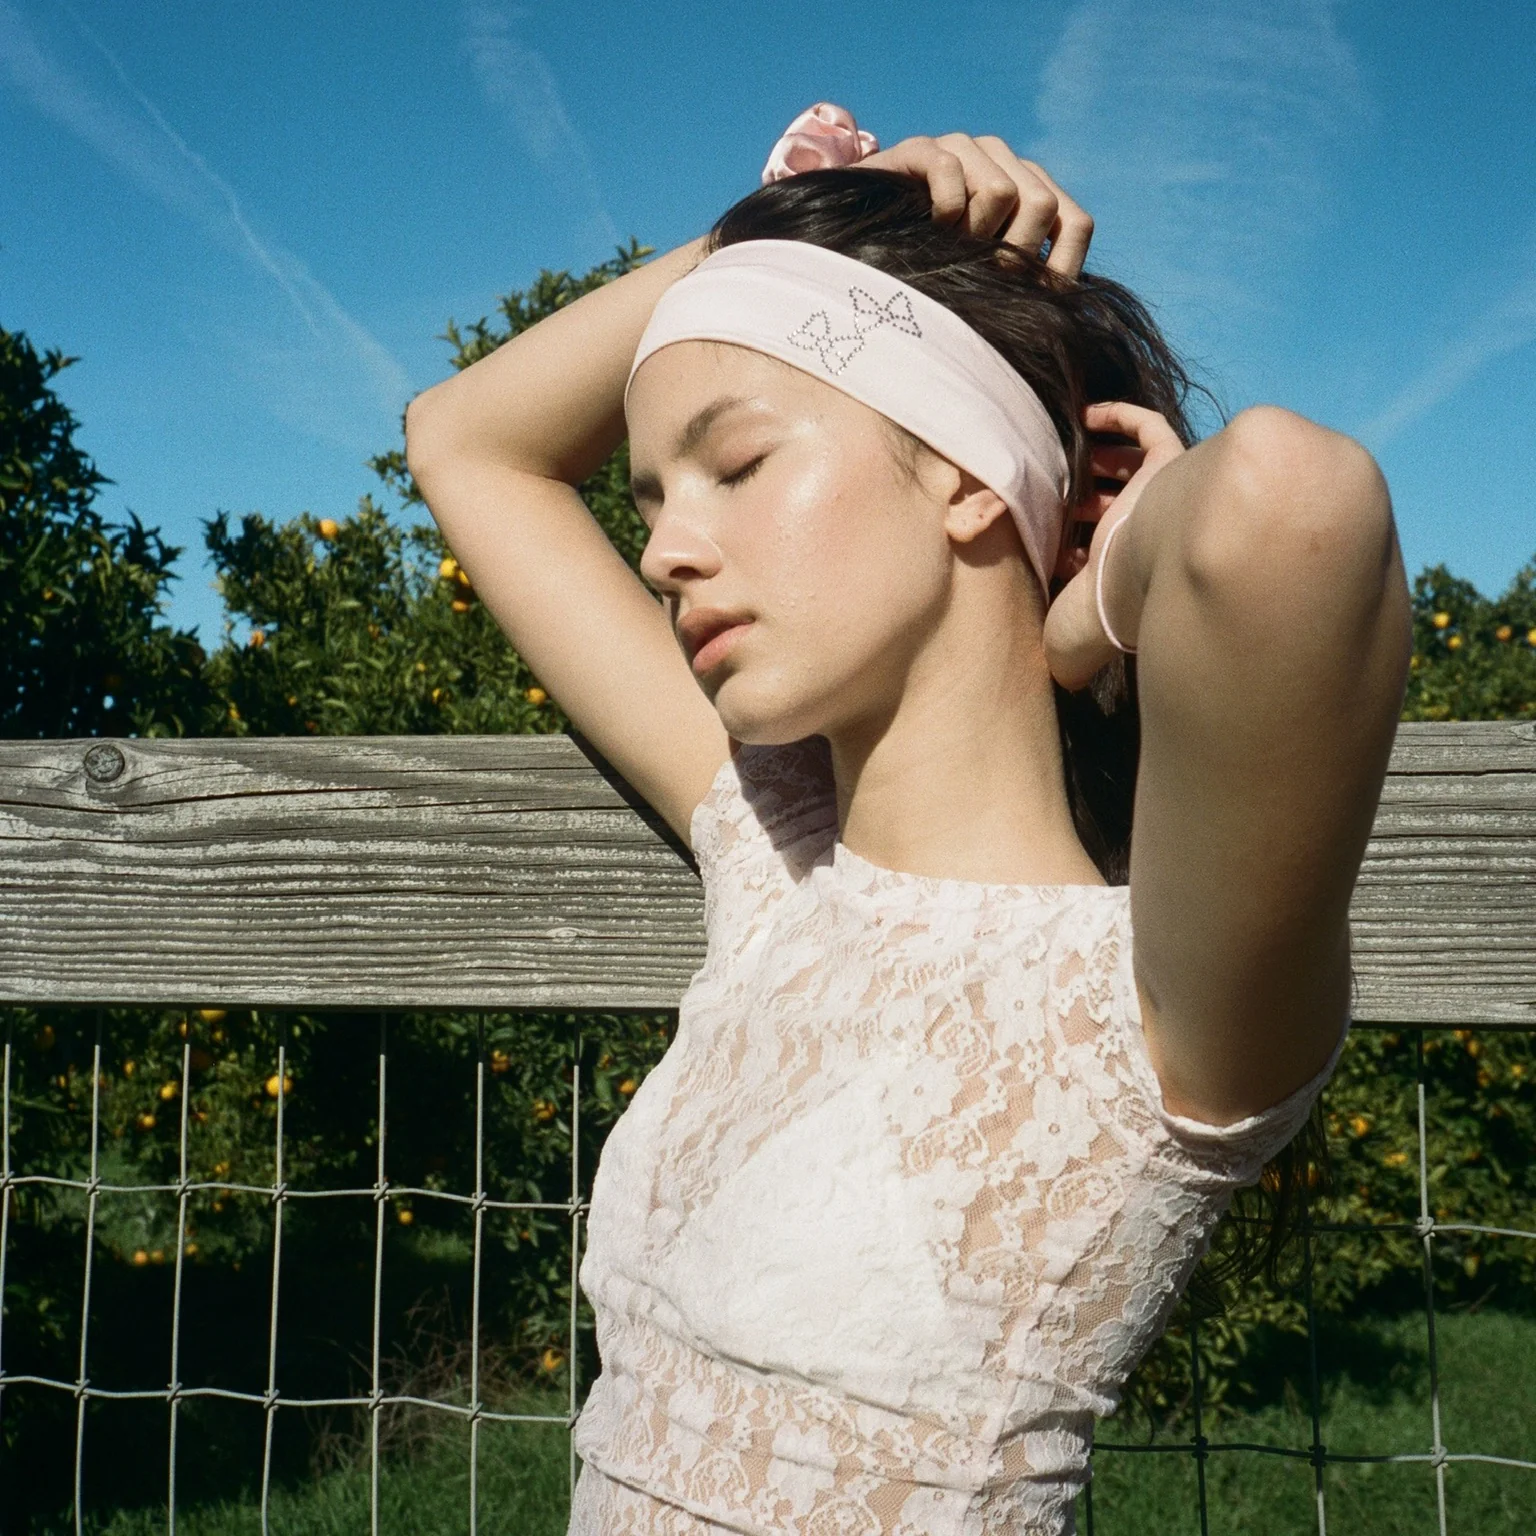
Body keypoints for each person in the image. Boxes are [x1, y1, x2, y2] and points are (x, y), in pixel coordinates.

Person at [405, 104, 1412, 1536]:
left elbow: (1290, 507)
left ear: (963, 473)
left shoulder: (1160, 1010)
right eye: (652, 496)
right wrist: (813, 215)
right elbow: (463, 441)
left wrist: (1095, 607)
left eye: (737, 466)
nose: (664, 548)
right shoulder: (769, 849)